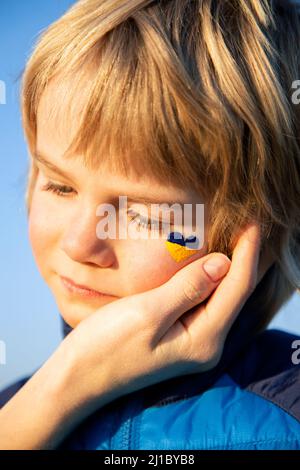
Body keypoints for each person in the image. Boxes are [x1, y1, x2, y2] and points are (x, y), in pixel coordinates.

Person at [0, 0, 300, 450]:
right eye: (60, 187)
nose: (81, 243)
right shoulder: (17, 411)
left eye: (146, 214)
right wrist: (59, 391)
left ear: (261, 236)